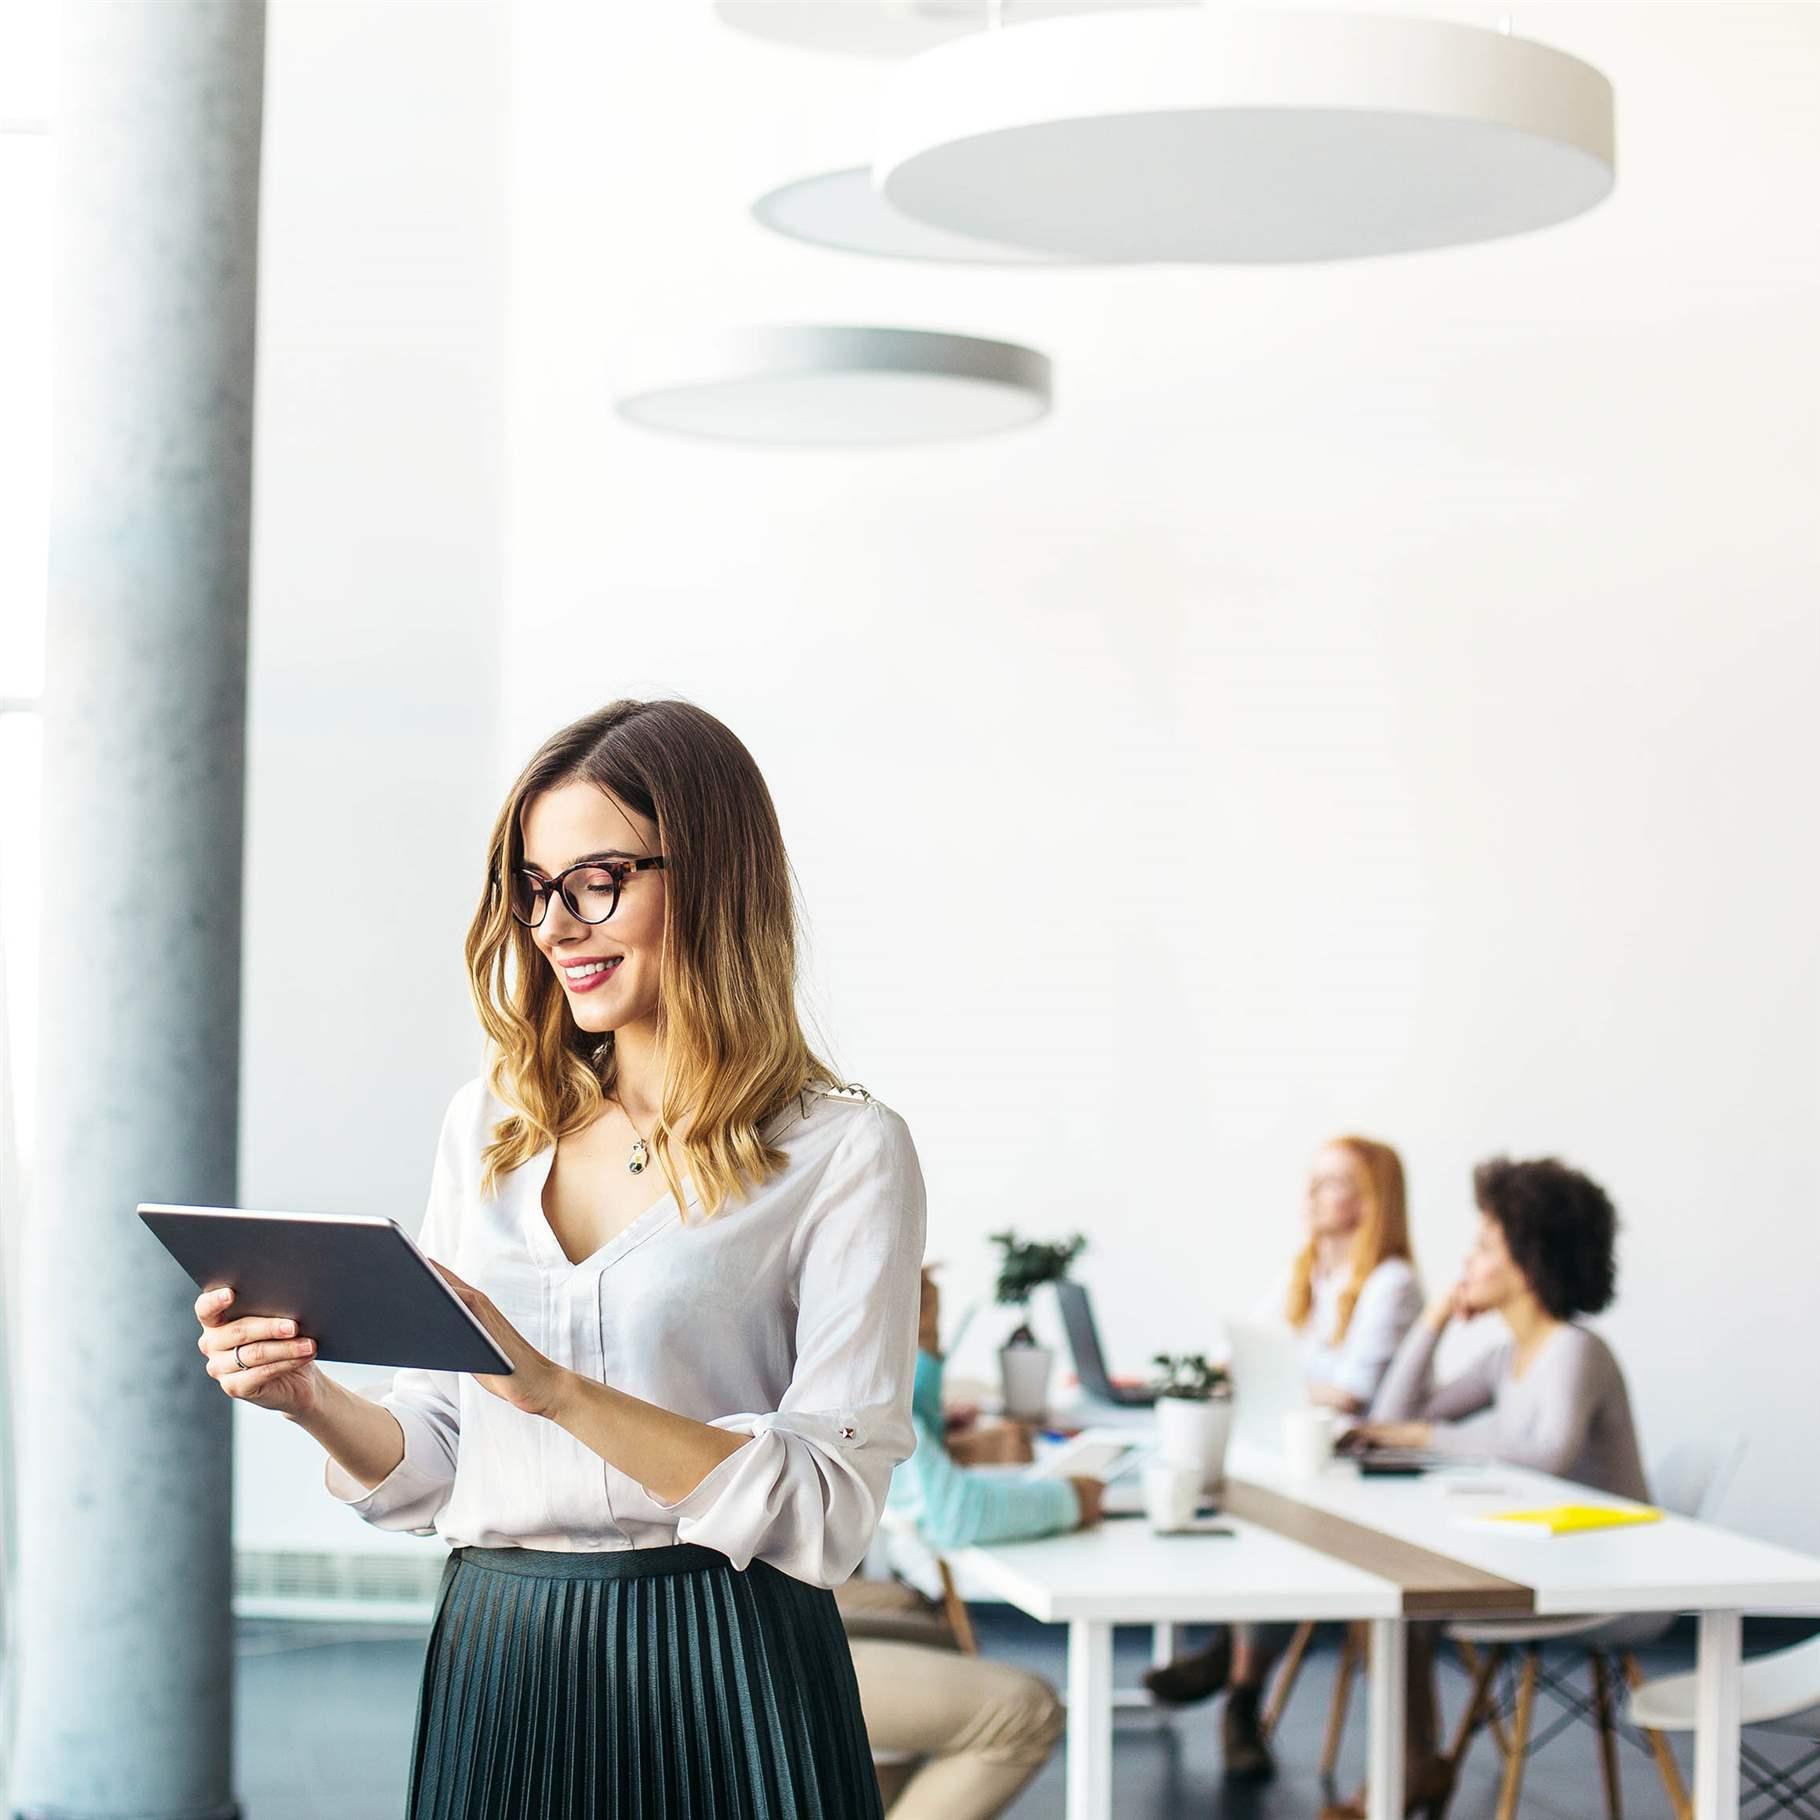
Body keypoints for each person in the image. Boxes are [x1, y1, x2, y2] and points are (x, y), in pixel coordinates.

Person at [192, 698, 927, 1820]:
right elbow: (434, 1455)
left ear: (716, 873)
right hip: (502, 1650)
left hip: (724, 1659)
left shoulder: (840, 1150)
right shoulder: (489, 1125)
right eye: (536, 888)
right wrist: (308, 1398)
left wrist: (560, 1394)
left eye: (597, 879)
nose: (556, 925)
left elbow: (827, 1505)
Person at [1322, 1153, 1649, 1820]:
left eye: (1483, 1247)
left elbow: (1546, 1452)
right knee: (1394, 1601)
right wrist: (1436, 1317)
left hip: (1602, 1581)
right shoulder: (1507, 1356)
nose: (1466, 1264)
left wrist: (1420, 1439)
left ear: (1528, 1262)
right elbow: (1393, 1415)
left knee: (1403, 1602)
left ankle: (1407, 1775)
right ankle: (1411, 1769)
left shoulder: (1575, 1351)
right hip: (1535, 1559)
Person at [1145, 1135, 1422, 1781]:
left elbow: (1354, 1391)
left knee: (1280, 1526)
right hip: (1293, 1451)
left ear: (1368, 1199)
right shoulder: (1306, 1273)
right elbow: (1243, 1348)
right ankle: (1229, 1663)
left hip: (1356, 1472)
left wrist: (1263, 1382)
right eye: (1313, 1179)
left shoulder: (1390, 1283)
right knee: (1235, 1493)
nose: (1309, 1195)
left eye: (1329, 1182)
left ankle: (1237, 1686)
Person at [838, 1265, 1102, 1817]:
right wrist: (1069, 1500)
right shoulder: (843, 1353)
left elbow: (911, 1445)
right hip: (740, 1633)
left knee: (932, 1632)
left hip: (745, 1606)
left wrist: (923, 1346)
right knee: (1027, 1712)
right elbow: (950, 1512)